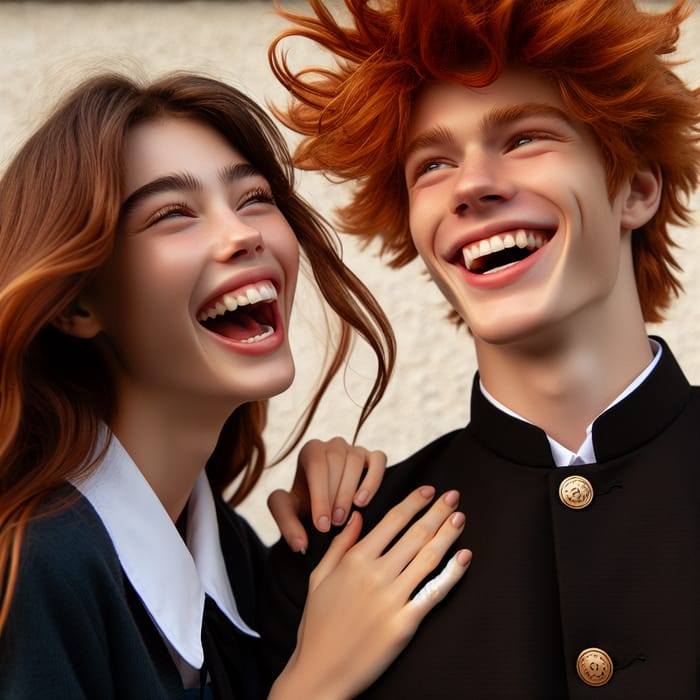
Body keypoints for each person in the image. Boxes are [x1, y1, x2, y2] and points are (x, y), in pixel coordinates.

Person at [260, 0, 700, 696]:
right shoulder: (328, 562)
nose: (470, 186)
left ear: (636, 190)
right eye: (431, 164)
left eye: (524, 138)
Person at [0, 71, 473, 699]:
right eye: (173, 214)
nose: (243, 233)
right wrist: (311, 685)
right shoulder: (31, 568)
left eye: (253, 198)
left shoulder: (237, 554)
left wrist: (333, 524)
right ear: (78, 305)